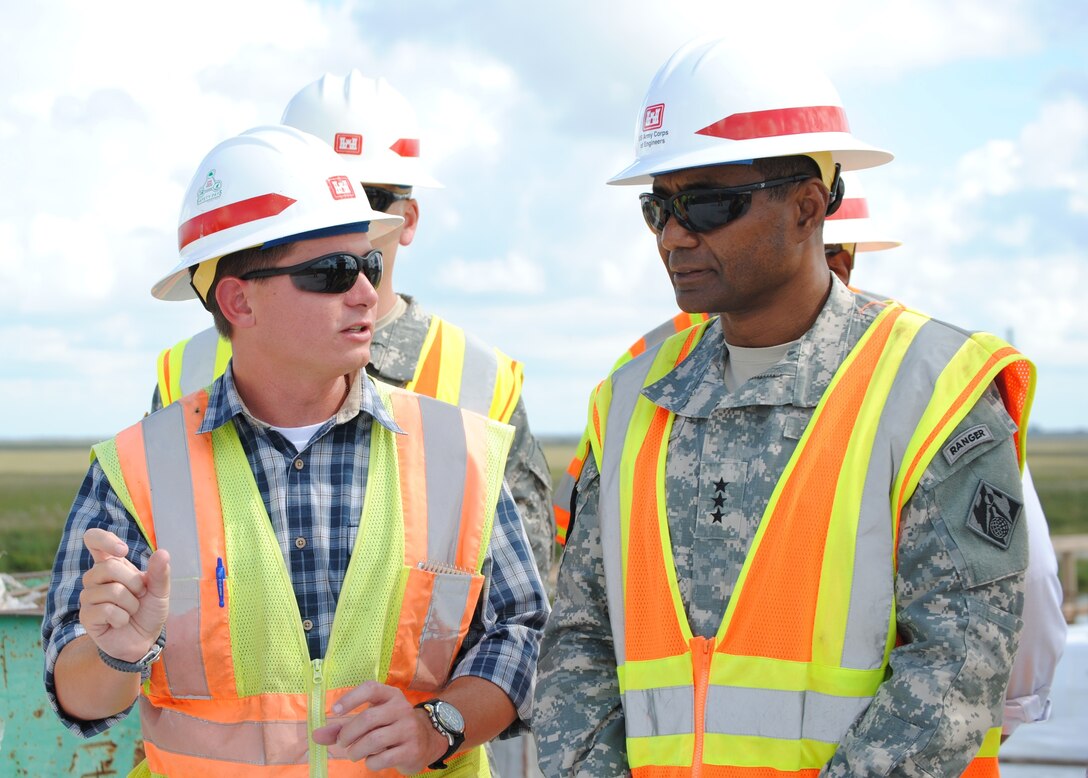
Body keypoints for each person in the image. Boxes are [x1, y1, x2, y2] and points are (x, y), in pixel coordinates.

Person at [534, 36, 1035, 777]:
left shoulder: (933, 389)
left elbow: (960, 663)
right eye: (658, 207)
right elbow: (578, 642)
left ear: (807, 207)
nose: (675, 235)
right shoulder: (631, 397)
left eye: (706, 203)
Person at [42, 125, 548, 776]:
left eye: (367, 263)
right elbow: (77, 694)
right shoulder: (138, 469)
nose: (368, 292)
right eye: (333, 272)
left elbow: (522, 633)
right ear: (238, 299)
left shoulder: (457, 452)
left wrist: (436, 727)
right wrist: (118, 654)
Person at [152, 70, 556, 588]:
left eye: (368, 195)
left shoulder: (481, 378)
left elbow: (519, 599)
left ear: (407, 218)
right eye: (313, 192)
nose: (340, 210)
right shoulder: (183, 370)